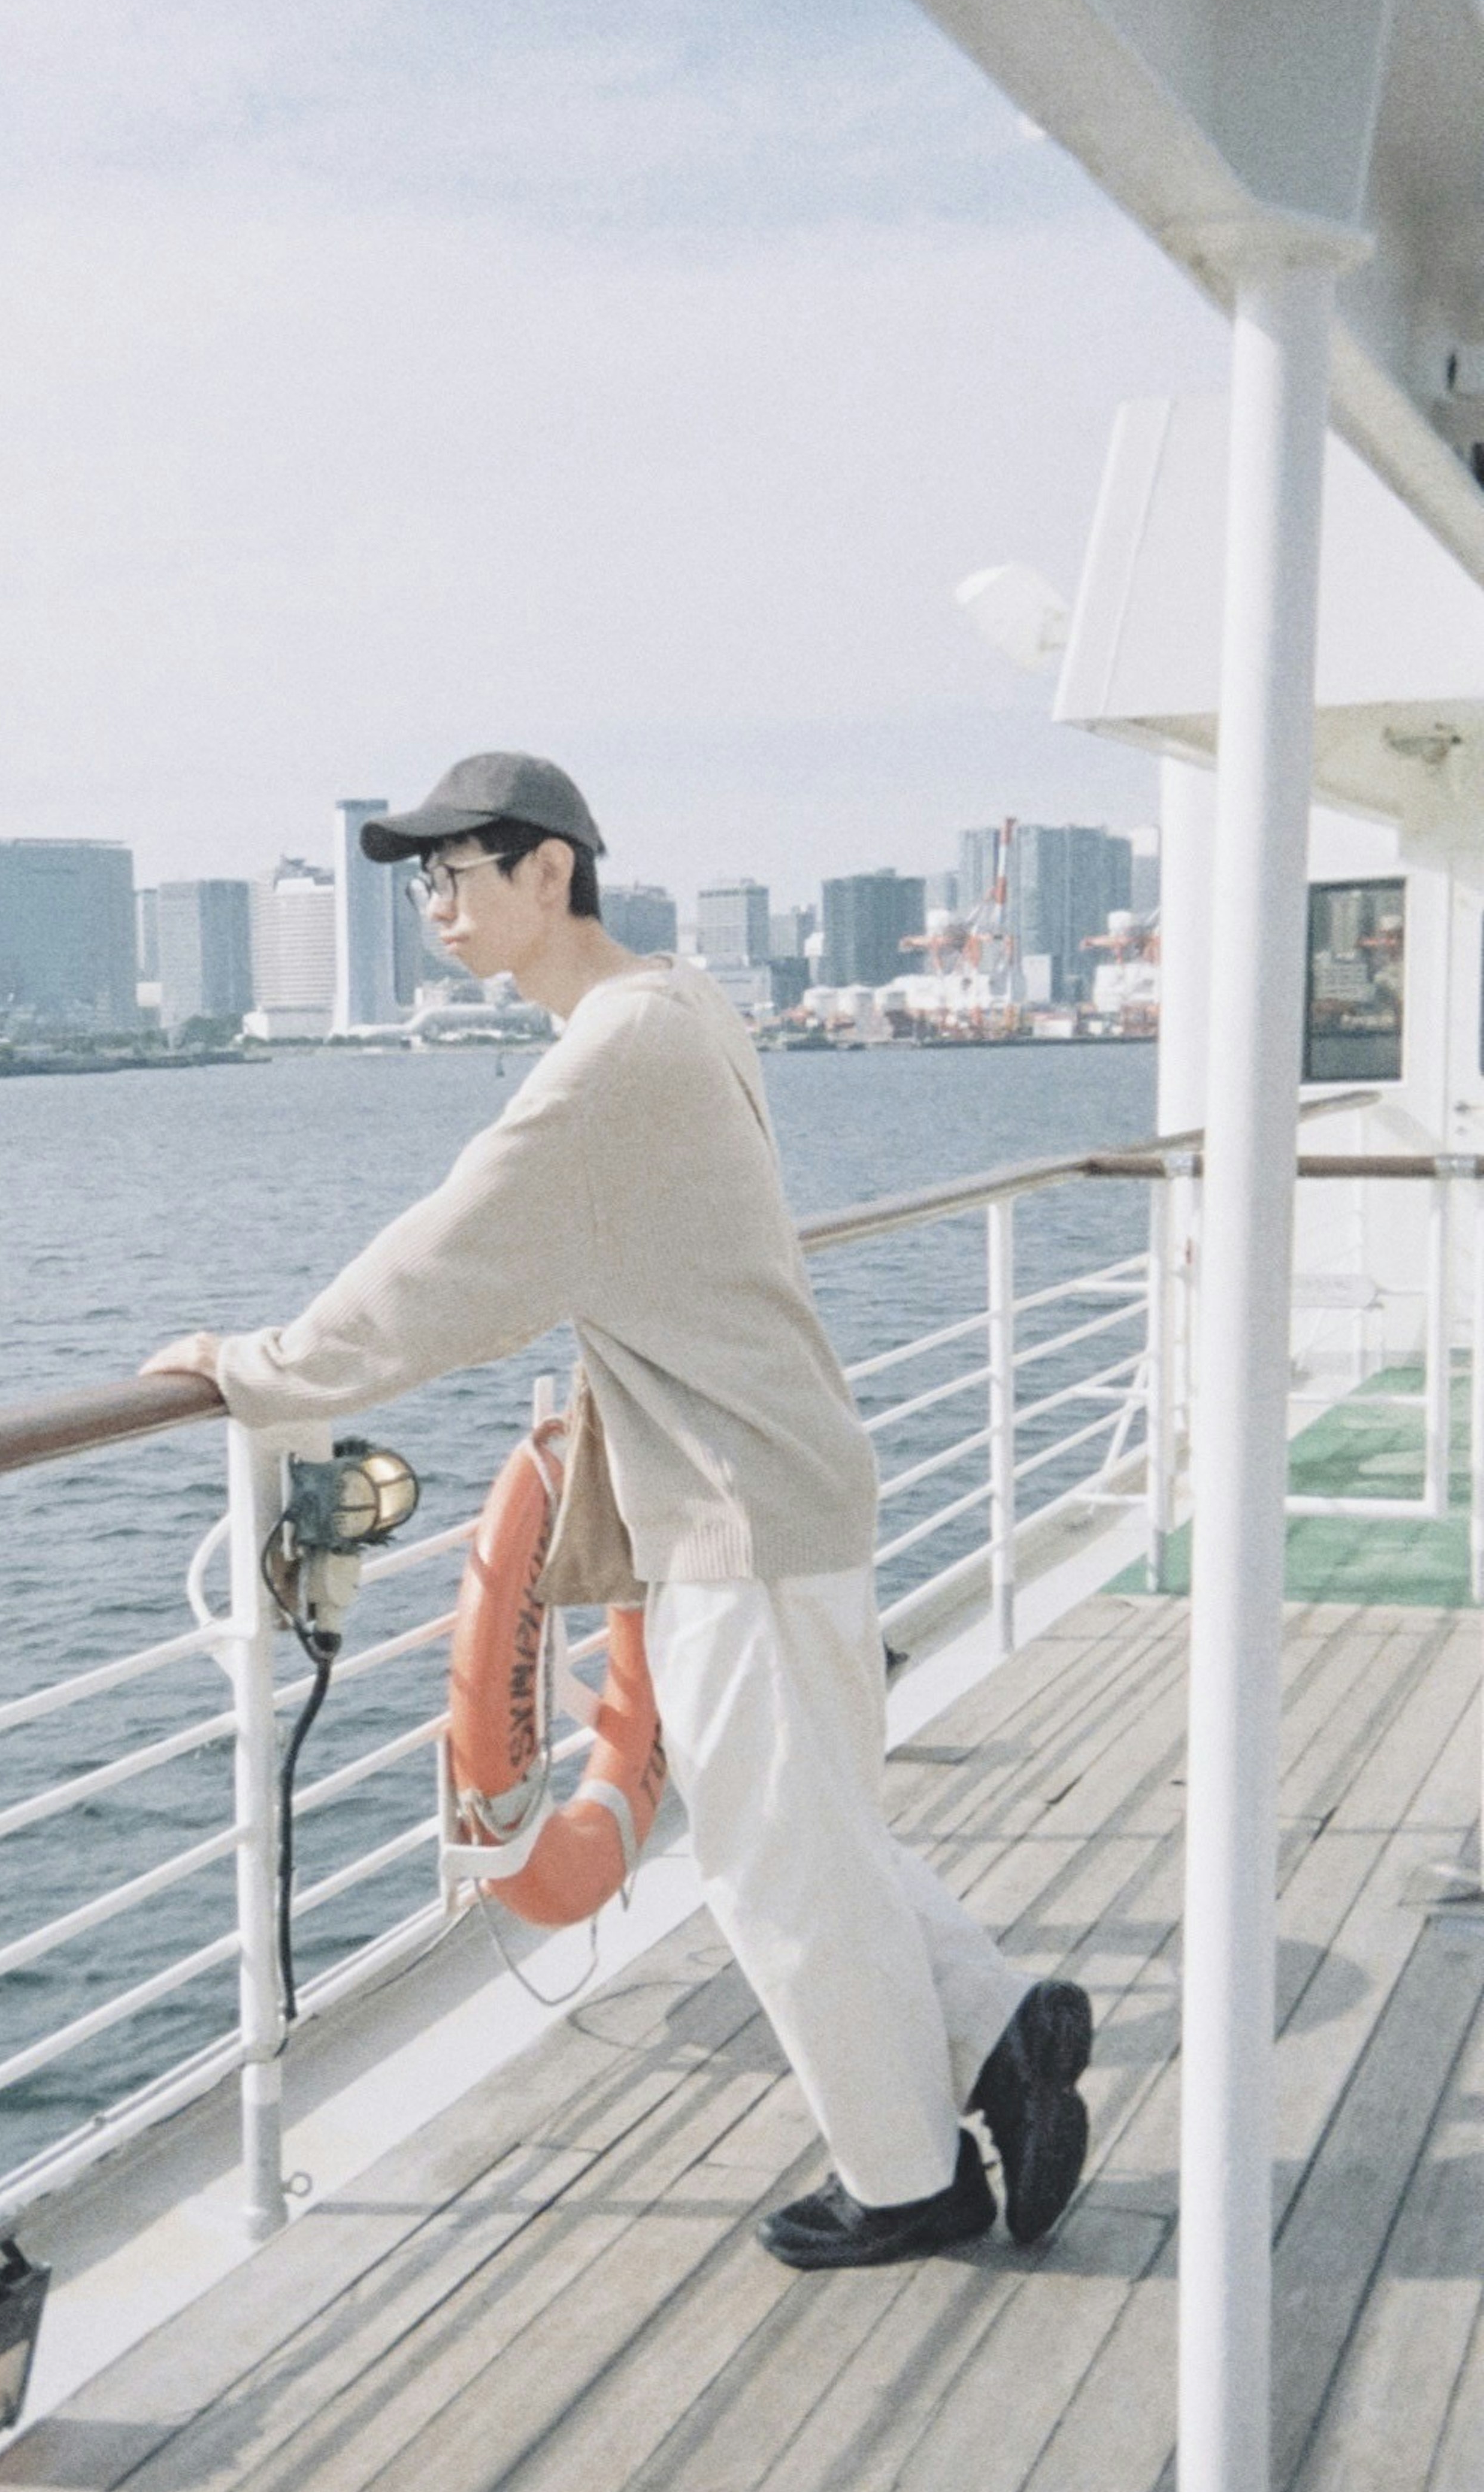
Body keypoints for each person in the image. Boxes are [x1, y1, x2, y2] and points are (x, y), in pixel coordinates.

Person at [144, 752, 1092, 2269]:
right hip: (776, 1475)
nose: (436, 906)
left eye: (462, 873)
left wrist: (254, 1369)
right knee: (810, 1826)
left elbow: (443, 1264)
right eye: (420, 882)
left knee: (772, 1866)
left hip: (736, 1499)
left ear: (552, 875)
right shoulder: (684, 1003)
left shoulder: (606, 1061)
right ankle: (994, 2041)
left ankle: (914, 2180)